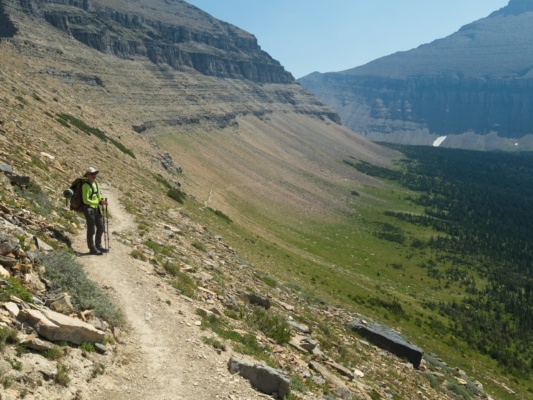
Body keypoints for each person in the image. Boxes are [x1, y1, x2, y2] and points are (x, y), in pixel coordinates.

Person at [82, 167, 108, 255]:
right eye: (92, 174)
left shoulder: (96, 184)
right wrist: (97, 202)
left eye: (94, 174)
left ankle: (98, 246)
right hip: (89, 209)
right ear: (88, 175)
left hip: (96, 208)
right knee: (91, 229)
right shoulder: (85, 186)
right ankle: (92, 248)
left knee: (101, 227)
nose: (94, 176)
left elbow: (98, 195)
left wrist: (101, 201)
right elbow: (85, 200)